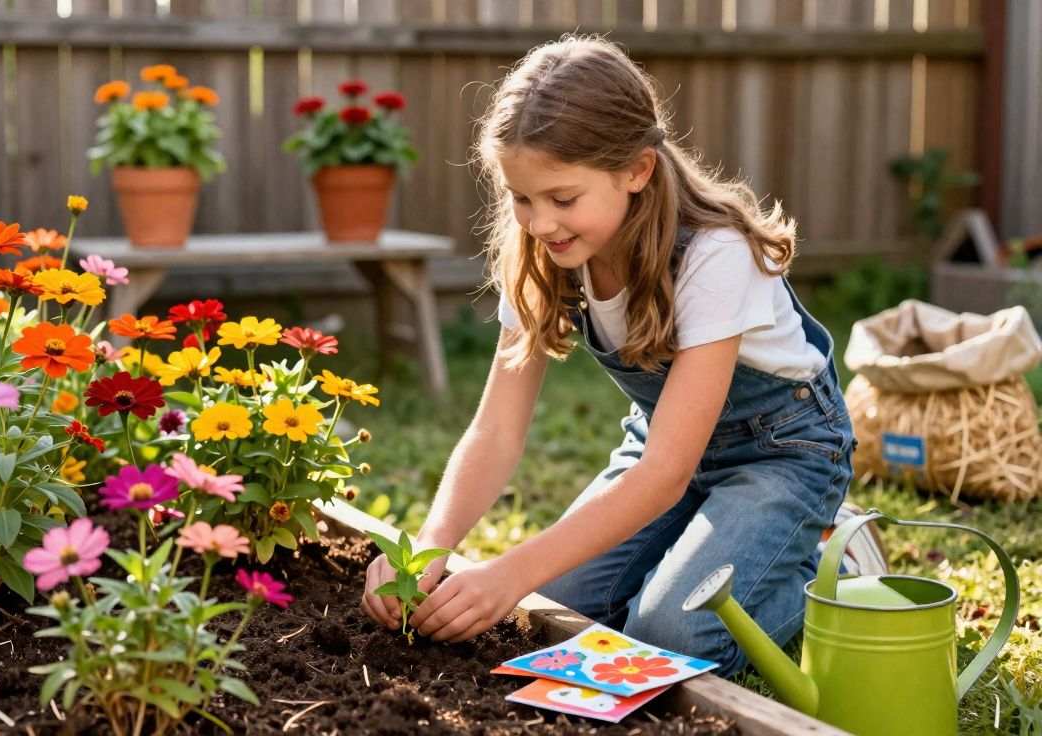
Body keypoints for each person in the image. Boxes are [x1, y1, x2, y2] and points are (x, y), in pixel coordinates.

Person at [360, 35, 883, 676]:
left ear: (636, 171)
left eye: (562, 199)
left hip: (780, 455)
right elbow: (496, 429)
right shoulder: (545, 255)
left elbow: (664, 472)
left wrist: (510, 572)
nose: (540, 222)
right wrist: (428, 546)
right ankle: (712, 551)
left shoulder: (713, 255)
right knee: (558, 604)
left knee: (669, 634)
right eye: (521, 198)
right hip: (663, 452)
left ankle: (831, 566)